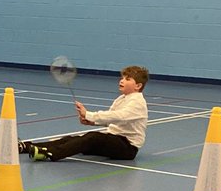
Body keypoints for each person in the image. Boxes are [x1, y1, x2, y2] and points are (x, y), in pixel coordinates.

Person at [20, 65, 149, 161]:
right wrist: (92, 122)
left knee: (92, 137)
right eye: (122, 78)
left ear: (138, 86)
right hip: (114, 140)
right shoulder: (121, 99)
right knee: (72, 140)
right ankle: (27, 147)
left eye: (127, 79)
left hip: (127, 147)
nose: (121, 81)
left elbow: (119, 116)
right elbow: (111, 121)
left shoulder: (138, 102)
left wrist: (89, 115)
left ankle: (50, 153)